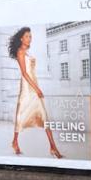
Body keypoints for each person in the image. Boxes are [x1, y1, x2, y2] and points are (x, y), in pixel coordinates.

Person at [7, 27, 64, 159]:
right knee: (21, 116)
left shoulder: (27, 53)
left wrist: (37, 87)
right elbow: (24, 74)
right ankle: (15, 141)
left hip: (33, 85)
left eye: (30, 36)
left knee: (44, 117)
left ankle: (53, 147)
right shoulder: (20, 52)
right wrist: (37, 89)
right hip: (27, 89)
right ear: (21, 38)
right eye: (27, 36)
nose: (29, 38)